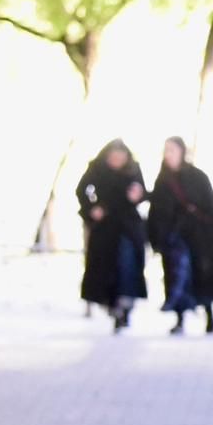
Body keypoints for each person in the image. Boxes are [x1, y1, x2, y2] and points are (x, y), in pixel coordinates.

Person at [148, 137, 213, 335]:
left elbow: (211, 205)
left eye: (172, 150)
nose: (169, 154)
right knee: (178, 277)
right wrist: (157, 237)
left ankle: (210, 316)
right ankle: (180, 317)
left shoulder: (197, 177)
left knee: (203, 275)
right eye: (166, 150)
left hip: (198, 237)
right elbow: (156, 211)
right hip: (174, 239)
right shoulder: (162, 180)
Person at [77, 139, 148, 331]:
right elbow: (81, 190)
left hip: (128, 227)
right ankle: (112, 305)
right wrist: (91, 209)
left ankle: (124, 307)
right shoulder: (96, 168)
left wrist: (138, 195)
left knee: (127, 266)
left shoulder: (134, 169)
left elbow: (143, 192)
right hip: (105, 228)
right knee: (105, 269)